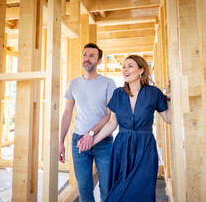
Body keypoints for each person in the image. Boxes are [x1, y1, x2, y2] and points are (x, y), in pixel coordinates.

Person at [78, 54, 171, 202]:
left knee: (142, 192)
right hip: (122, 148)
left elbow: (169, 118)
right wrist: (91, 142)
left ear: (141, 70)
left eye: (130, 66)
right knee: (118, 192)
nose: (125, 69)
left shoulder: (154, 93)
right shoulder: (118, 94)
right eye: (123, 66)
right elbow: (111, 124)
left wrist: (169, 96)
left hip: (145, 149)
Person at [59, 43, 117, 202]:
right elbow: (66, 113)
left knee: (107, 190)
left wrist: (91, 134)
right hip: (79, 142)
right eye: (85, 55)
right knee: (84, 192)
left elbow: (109, 115)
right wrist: (60, 142)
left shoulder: (108, 83)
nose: (87, 58)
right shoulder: (73, 84)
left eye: (92, 56)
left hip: (103, 141)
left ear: (99, 61)